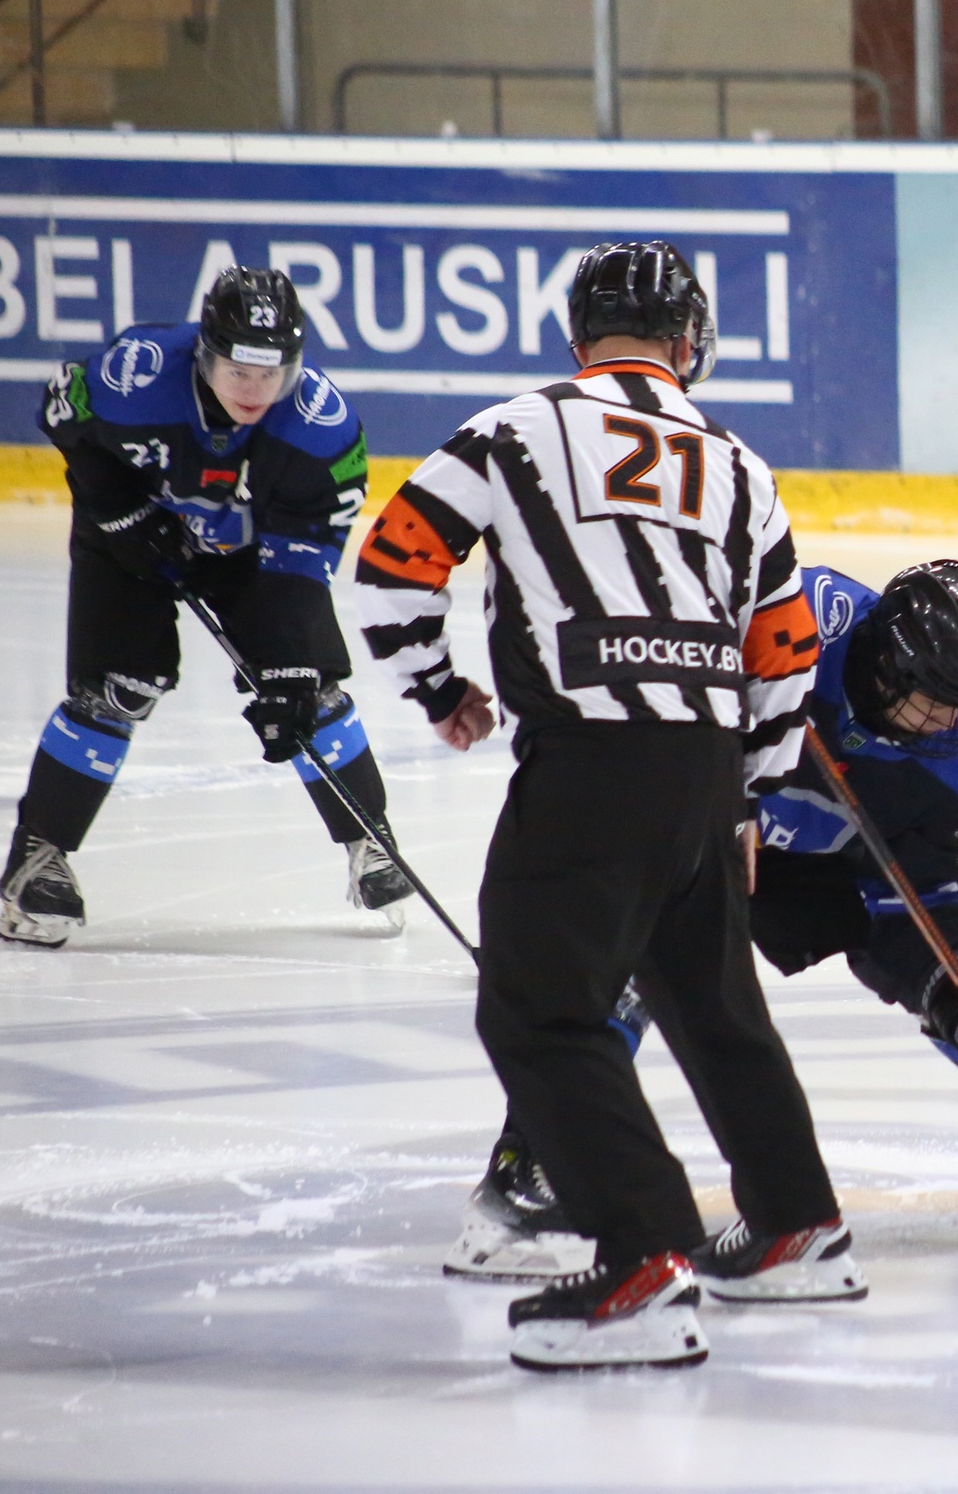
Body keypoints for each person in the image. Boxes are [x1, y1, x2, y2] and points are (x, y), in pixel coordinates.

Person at [354, 241, 853, 1372]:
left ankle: (643, 1260)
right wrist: (751, 796)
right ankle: (797, 1225)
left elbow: (392, 564)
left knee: (539, 1011)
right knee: (713, 1007)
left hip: (588, 764)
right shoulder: (739, 463)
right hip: (705, 772)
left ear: (579, 338)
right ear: (690, 343)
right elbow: (785, 648)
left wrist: (438, 688)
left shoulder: (512, 429)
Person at [442, 557, 958, 1280]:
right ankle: (530, 1164)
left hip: (811, 865)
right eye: (936, 699)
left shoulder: (952, 771)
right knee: (628, 954)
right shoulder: (797, 621)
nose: (951, 723)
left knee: (942, 982)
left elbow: (918, 903)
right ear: (887, 669)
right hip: (699, 815)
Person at [0, 266, 414, 948]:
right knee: (118, 688)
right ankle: (37, 857)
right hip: (130, 541)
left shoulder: (321, 428)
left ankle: (370, 837)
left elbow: (303, 556)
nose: (254, 390)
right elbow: (63, 413)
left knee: (310, 691)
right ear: (204, 354)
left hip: (249, 552)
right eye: (237, 371)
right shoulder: (138, 373)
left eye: (270, 373)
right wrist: (120, 511)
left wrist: (287, 668)